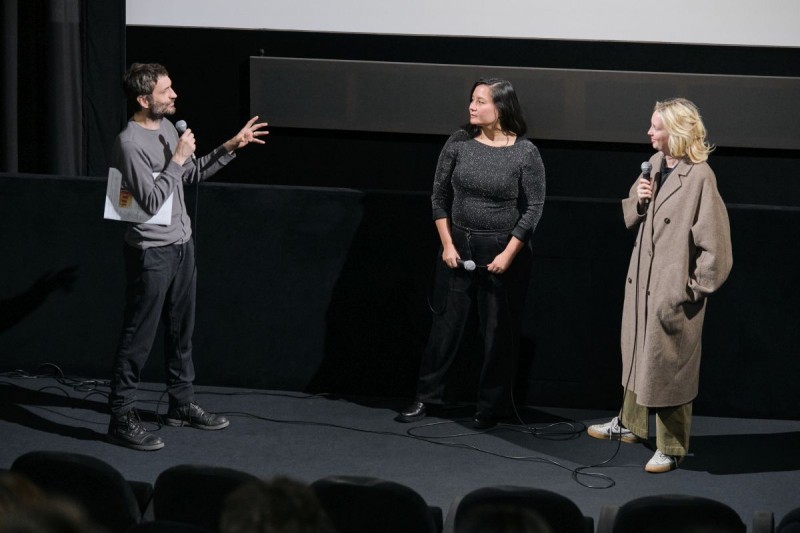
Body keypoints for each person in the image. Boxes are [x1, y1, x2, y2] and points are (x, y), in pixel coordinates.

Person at [107, 63, 268, 451]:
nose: (174, 95)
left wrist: (231, 146)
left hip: (182, 244)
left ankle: (180, 403)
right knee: (140, 336)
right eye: (166, 91)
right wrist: (177, 158)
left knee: (182, 331)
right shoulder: (129, 143)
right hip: (151, 251)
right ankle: (121, 414)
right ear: (144, 99)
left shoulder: (165, 128)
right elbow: (147, 201)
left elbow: (189, 176)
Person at [588, 98, 733, 473]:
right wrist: (638, 200)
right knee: (639, 353)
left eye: (656, 127)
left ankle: (672, 447)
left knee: (671, 370)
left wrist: (689, 290)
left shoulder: (700, 176)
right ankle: (631, 423)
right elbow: (635, 213)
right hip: (643, 285)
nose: (649, 133)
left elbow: (717, 249)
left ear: (678, 131)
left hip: (671, 293)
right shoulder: (653, 165)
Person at [397, 78, 546, 428]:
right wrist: (447, 245)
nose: (472, 107)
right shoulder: (459, 142)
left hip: (501, 248)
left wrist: (509, 253)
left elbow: (534, 207)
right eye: (472, 100)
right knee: (446, 327)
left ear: (501, 108)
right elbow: (438, 197)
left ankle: (491, 406)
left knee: (496, 333)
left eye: (480, 101)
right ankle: (428, 397)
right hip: (457, 246)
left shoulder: (525, 152)